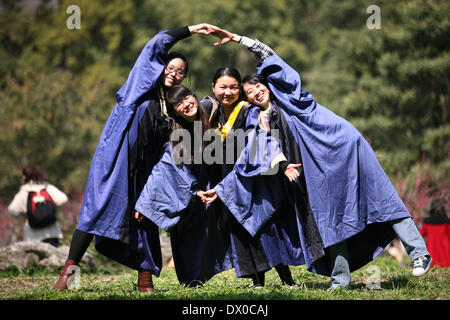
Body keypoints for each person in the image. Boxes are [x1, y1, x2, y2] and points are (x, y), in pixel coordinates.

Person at [203, 26, 432, 289]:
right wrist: (223, 189)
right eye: (250, 93)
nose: (255, 92)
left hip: (347, 147)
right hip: (317, 168)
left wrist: (236, 39)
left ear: (266, 83)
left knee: (381, 196)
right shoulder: (261, 119)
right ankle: (340, 280)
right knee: (329, 216)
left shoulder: (290, 97)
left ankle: (419, 254)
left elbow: (270, 56)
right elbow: (253, 155)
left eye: (256, 85)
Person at [53, 24, 218, 294]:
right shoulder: (138, 88)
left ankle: (145, 280)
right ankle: (68, 271)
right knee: (95, 210)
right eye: (171, 67)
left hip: (145, 169)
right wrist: (190, 29)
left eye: (181, 72)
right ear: (159, 66)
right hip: (115, 161)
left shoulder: (171, 107)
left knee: (146, 218)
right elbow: (154, 45)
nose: (175, 74)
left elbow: (190, 131)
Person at [201, 67, 298, 287]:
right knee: (240, 229)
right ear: (213, 87)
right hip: (227, 182)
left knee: (266, 226)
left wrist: (280, 163)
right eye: (223, 87)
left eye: (234, 87)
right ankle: (257, 282)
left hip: (253, 178)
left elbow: (260, 140)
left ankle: (286, 279)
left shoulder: (248, 111)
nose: (228, 92)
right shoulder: (210, 112)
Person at [134, 85, 233, 287]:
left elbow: (223, 96)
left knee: (208, 231)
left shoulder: (208, 108)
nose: (186, 105)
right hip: (184, 186)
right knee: (186, 233)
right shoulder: (173, 132)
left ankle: (200, 277)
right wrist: (145, 203)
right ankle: (191, 281)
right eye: (178, 104)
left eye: (187, 98)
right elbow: (164, 168)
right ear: (173, 112)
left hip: (208, 181)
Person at [8, 166, 68, 247]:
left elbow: (12, 210)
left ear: (26, 177)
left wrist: (26, 216)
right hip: (52, 233)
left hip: (33, 235)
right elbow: (63, 199)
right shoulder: (47, 187)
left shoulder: (24, 191)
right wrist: (53, 210)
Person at [420, 199, 450, 268]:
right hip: (446, 253)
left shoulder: (426, 222)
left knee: (433, 270)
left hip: (431, 251)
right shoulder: (446, 222)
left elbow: (420, 236)